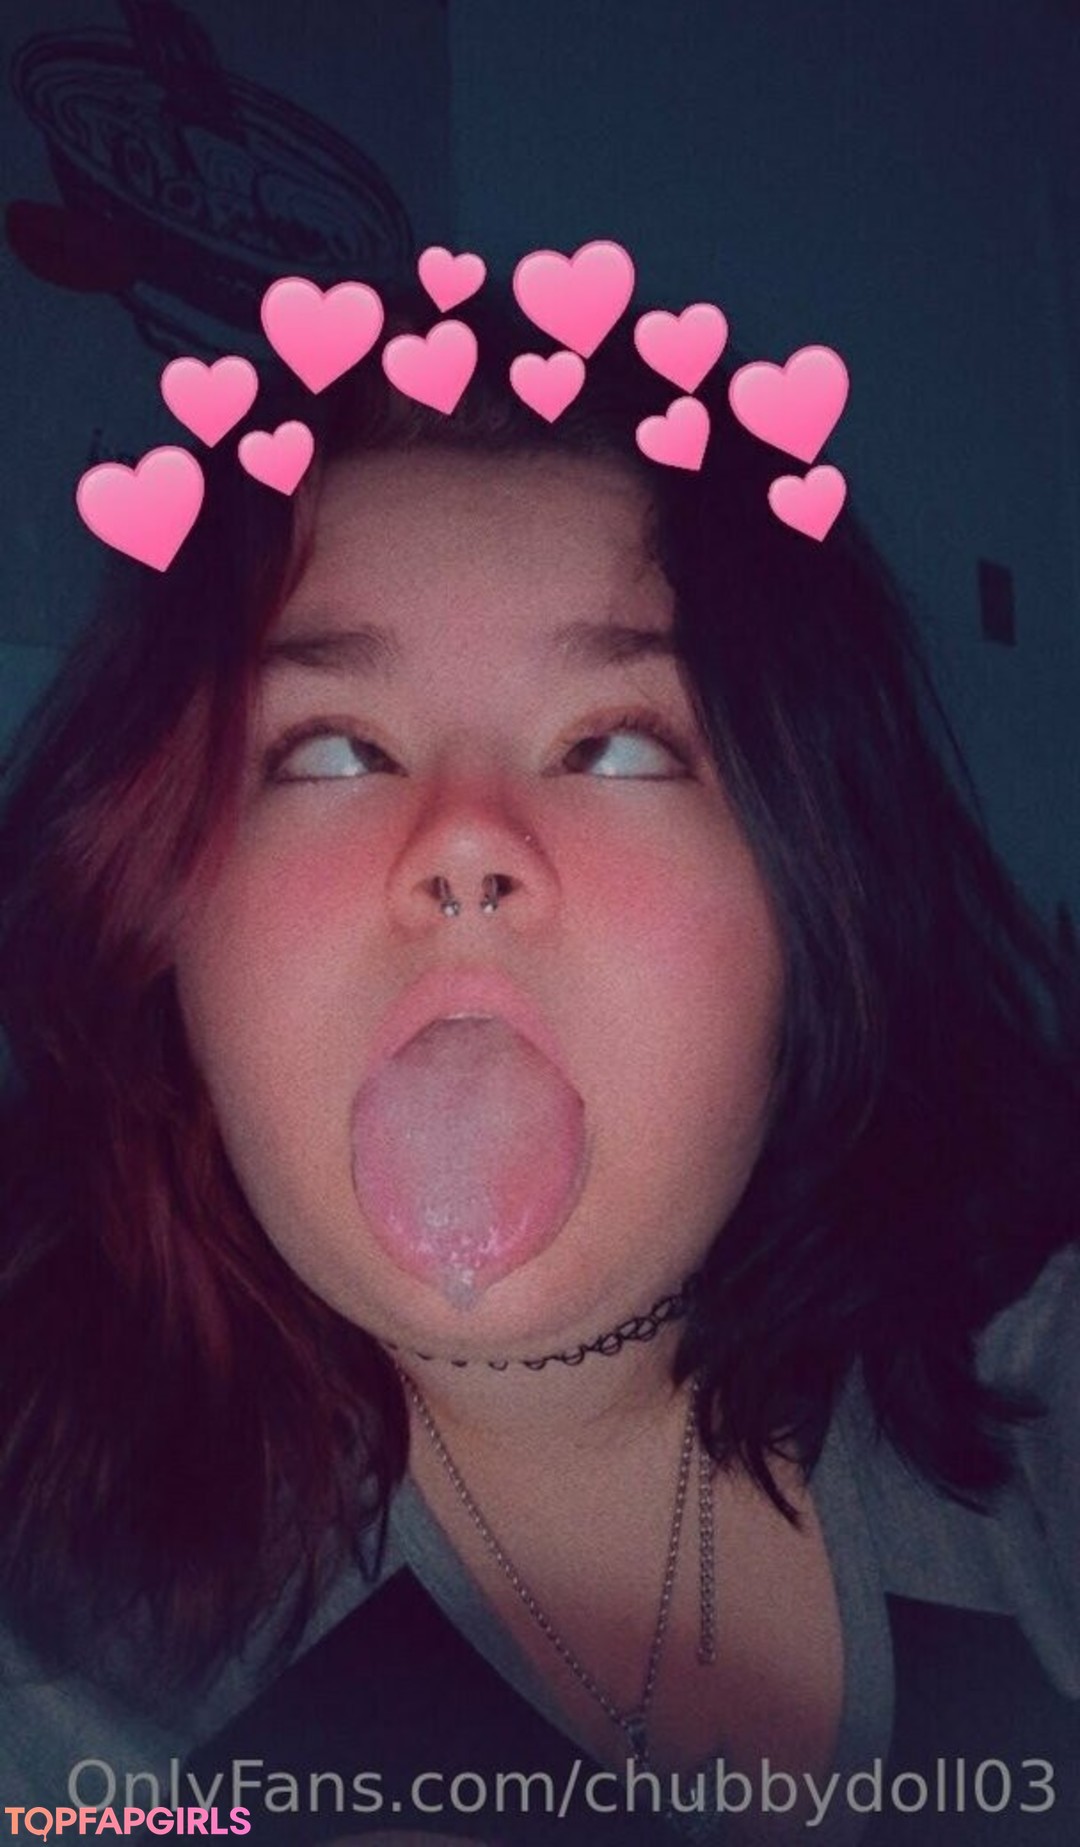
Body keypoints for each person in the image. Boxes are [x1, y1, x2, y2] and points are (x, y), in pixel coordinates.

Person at [0, 291, 1077, 1847]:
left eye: (615, 744)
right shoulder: (62, 1669)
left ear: (816, 898)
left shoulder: (1036, 1390)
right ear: (166, 924)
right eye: (332, 748)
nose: (463, 845)